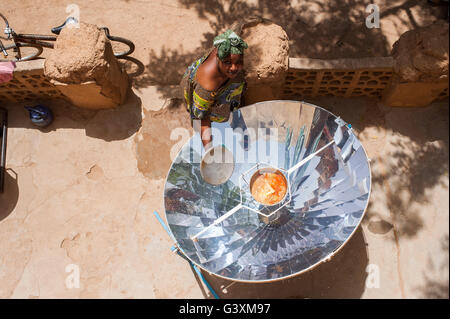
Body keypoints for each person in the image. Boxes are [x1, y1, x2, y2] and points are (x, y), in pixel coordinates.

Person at [180, 29, 248, 150]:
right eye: (227, 62)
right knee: (202, 114)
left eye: (239, 62)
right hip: (201, 97)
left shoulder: (225, 48)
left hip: (220, 91)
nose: (234, 67)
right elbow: (203, 119)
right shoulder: (207, 84)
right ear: (218, 58)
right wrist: (210, 151)